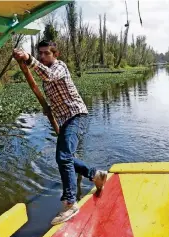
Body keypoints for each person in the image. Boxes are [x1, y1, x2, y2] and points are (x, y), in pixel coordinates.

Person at [13, 41, 108, 225]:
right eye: (39, 53)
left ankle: (70, 203)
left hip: (76, 114)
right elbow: (55, 93)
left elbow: (49, 76)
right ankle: (95, 175)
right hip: (65, 119)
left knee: (63, 157)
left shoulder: (59, 66)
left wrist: (28, 58)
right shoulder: (46, 72)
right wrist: (49, 109)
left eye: (46, 53)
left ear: (55, 54)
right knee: (65, 158)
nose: (42, 56)